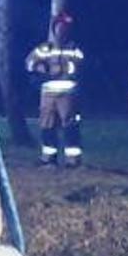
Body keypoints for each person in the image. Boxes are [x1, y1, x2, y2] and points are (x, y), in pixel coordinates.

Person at [25, 12, 86, 166]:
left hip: (67, 94)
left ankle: (73, 160)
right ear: (54, 29)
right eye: (59, 27)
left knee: (70, 126)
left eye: (64, 27)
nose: (61, 30)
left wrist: (64, 72)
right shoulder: (44, 48)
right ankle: (48, 158)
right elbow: (29, 62)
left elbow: (79, 67)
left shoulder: (74, 49)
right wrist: (40, 69)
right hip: (48, 93)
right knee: (47, 125)